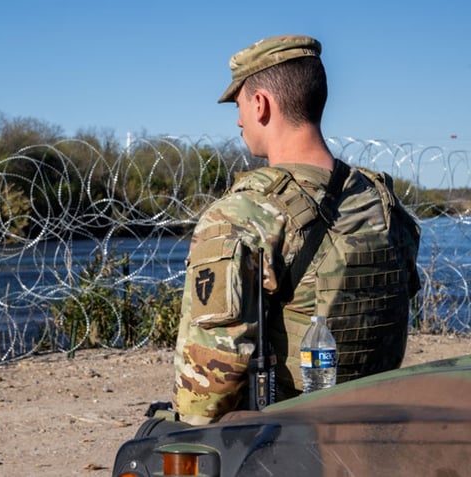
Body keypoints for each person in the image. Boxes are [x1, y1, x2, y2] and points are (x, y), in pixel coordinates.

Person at [173, 35, 421, 425]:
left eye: (238, 107)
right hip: (379, 430)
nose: (238, 121)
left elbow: (205, 394)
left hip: (291, 441)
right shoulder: (382, 203)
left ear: (261, 104)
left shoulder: (243, 214)